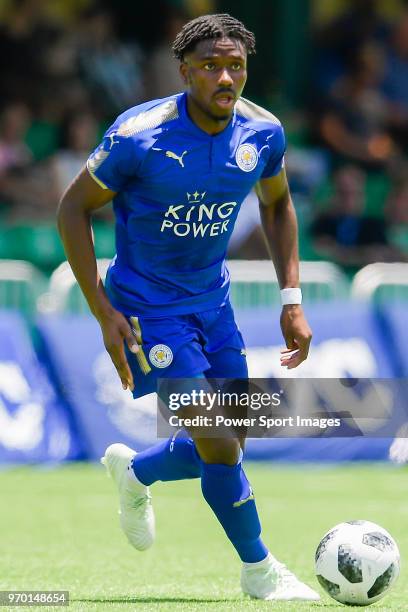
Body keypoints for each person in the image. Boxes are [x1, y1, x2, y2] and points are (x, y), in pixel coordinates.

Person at [57, 13, 318, 601]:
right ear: (184, 72)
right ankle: (261, 571)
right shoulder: (138, 136)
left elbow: (277, 206)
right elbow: (72, 210)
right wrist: (102, 311)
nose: (225, 78)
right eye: (210, 66)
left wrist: (291, 298)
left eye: (236, 67)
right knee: (219, 443)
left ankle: (135, 472)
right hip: (149, 309)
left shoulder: (261, 133)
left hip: (214, 303)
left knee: (232, 436)